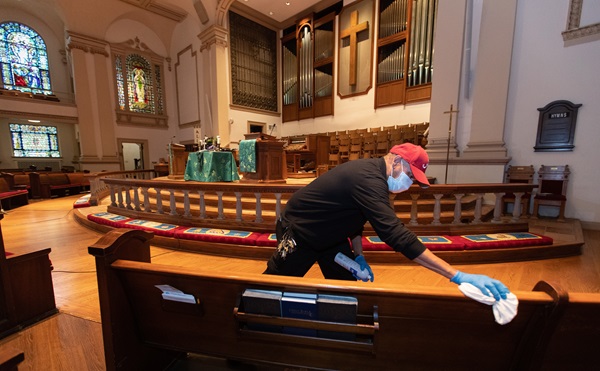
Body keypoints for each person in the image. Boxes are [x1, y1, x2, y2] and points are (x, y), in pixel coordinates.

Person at [264, 142, 510, 301]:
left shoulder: (376, 179)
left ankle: (336, 340)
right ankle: (244, 332)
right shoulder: (368, 179)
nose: (410, 183)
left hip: (331, 234)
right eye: (411, 176)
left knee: (345, 292)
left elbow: (353, 219)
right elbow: (394, 234)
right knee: (270, 288)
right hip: (300, 230)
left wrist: (358, 256)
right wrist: (456, 275)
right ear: (397, 161)